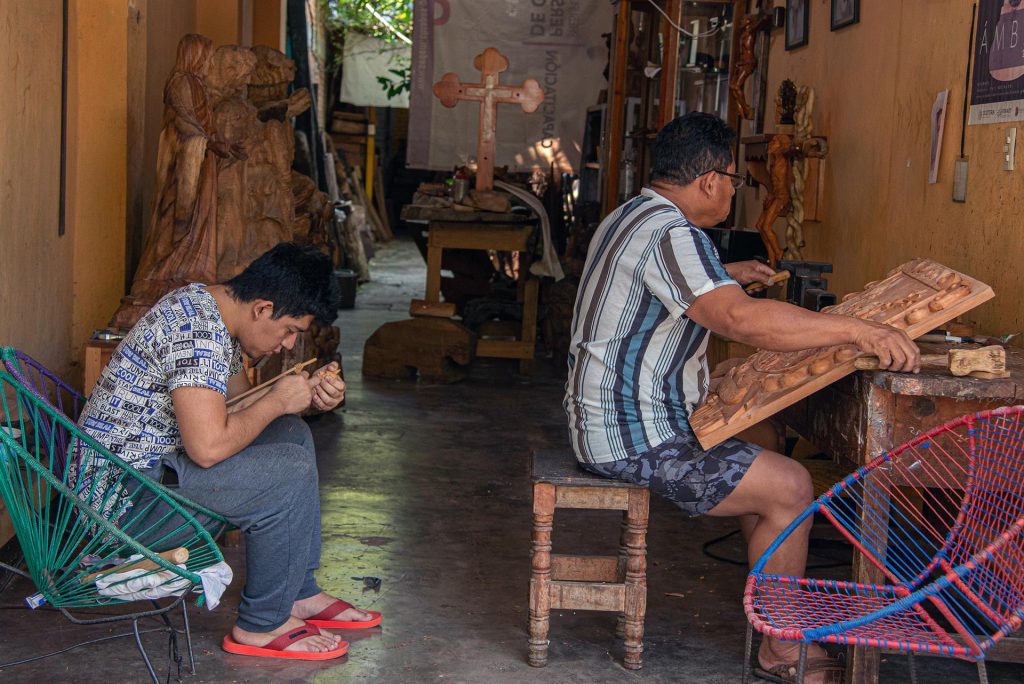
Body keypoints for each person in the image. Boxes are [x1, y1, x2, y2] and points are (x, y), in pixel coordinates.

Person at [563, 112, 920, 684]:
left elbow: (668, 285)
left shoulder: (635, 216)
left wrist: (723, 271)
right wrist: (859, 331)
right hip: (631, 434)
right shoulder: (673, 233)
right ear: (709, 180)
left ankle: (774, 619)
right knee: (791, 485)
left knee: (761, 442)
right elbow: (737, 320)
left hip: (605, 417)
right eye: (734, 178)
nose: (734, 188)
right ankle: (780, 649)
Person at [79, 242, 379, 660]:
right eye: (290, 329)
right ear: (262, 308)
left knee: (291, 434)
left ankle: (297, 593)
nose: (290, 345)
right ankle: (261, 625)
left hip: (149, 480)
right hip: (120, 510)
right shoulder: (198, 333)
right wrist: (276, 400)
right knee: (286, 467)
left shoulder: (211, 310)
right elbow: (208, 447)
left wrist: (305, 398)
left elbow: (238, 410)